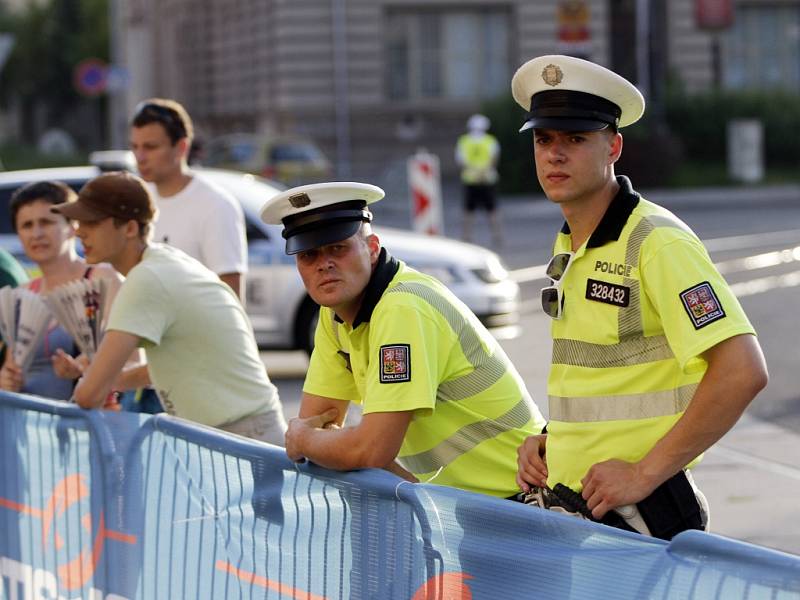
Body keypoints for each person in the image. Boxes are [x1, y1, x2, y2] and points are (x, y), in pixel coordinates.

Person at [511, 55, 768, 538]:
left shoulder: (656, 241)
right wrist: (553, 441)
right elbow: (604, 380)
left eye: (575, 139)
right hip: (577, 511)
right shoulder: (570, 239)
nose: (554, 154)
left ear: (614, 147)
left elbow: (742, 371)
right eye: (544, 140)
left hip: (637, 521)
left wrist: (645, 473)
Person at [261, 182, 546, 498]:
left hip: (520, 501)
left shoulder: (403, 308)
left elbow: (367, 448)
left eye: (338, 248)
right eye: (308, 254)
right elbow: (321, 422)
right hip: (469, 506)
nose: (324, 264)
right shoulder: (335, 314)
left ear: (371, 248)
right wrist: (329, 444)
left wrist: (306, 441)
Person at [52, 171, 286, 444]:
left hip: (240, 433)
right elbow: (175, 363)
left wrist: (92, 383)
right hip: (246, 430)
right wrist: (104, 380)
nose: (79, 231)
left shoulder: (147, 278)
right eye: (78, 221)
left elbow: (88, 395)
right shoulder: (163, 262)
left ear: (129, 228)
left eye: (91, 222)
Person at [0, 181, 124, 400]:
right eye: (26, 225)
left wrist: (87, 371)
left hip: (92, 426)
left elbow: (133, 360)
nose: (36, 233)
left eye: (46, 222)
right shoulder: (20, 295)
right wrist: (7, 380)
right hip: (29, 426)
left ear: (73, 227)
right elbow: (10, 371)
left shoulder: (103, 279)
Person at [129, 98, 247, 301]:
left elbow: (231, 296)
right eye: (135, 146)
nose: (140, 156)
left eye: (150, 147)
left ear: (182, 147)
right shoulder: (136, 199)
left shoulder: (216, 205)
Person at [455, 114, 501, 247]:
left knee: (468, 209)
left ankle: (466, 236)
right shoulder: (490, 140)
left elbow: (460, 161)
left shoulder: (464, 141)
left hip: (470, 179)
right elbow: (494, 159)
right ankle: (497, 236)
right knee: (492, 209)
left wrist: (473, 171)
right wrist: (484, 172)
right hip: (488, 179)